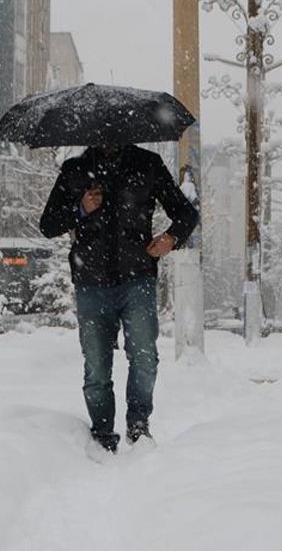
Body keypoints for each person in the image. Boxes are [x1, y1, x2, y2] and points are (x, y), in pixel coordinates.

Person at [39, 143, 199, 453]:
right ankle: (102, 435)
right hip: (90, 283)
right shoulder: (75, 171)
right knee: (97, 366)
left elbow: (186, 213)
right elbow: (48, 224)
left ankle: (138, 424)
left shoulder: (147, 165)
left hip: (136, 278)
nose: (108, 138)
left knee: (144, 358)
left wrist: (171, 238)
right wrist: (81, 209)